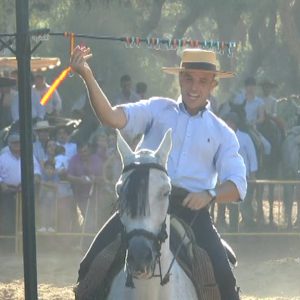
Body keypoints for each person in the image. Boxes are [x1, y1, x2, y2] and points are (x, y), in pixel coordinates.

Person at [70, 46, 246, 299]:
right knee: (89, 267)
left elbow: (238, 185)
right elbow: (111, 117)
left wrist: (209, 194)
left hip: (192, 210)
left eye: (202, 81)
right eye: (188, 78)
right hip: (140, 205)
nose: (194, 87)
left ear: (213, 85)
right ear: (180, 79)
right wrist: (86, 75)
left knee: (225, 279)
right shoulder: (156, 109)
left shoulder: (222, 133)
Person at [223, 112, 258, 230]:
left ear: (234, 123)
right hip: (228, 177)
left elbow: (252, 156)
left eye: (229, 122)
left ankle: (250, 228)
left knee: (244, 206)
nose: (227, 124)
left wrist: (253, 174)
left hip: (244, 177)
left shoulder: (245, 137)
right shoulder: (222, 138)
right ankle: (234, 232)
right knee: (231, 206)